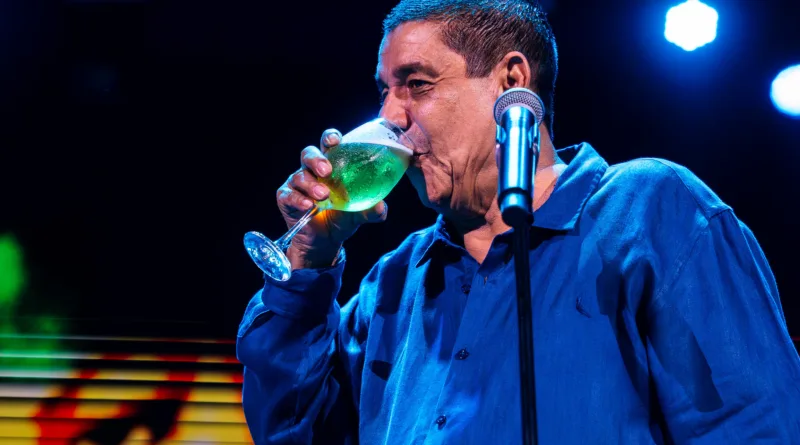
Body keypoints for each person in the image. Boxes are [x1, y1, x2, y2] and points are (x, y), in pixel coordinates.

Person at [236, 0, 800, 443]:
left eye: (417, 84)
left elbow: (752, 426)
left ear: (511, 82)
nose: (390, 115)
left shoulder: (650, 210)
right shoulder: (391, 282)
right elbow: (290, 432)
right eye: (384, 91)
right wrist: (307, 264)